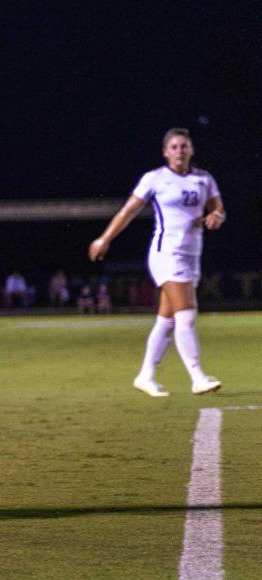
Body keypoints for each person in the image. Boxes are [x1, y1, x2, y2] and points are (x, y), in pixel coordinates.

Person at [88, 127, 225, 397]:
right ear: (165, 152)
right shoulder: (155, 179)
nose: (179, 151)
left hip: (192, 254)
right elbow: (128, 211)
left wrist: (217, 216)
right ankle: (197, 376)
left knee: (168, 320)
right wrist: (104, 238)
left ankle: (145, 376)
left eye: (184, 146)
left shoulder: (204, 179)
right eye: (174, 147)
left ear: (192, 150)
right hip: (167, 253)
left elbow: (218, 208)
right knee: (186, 314)